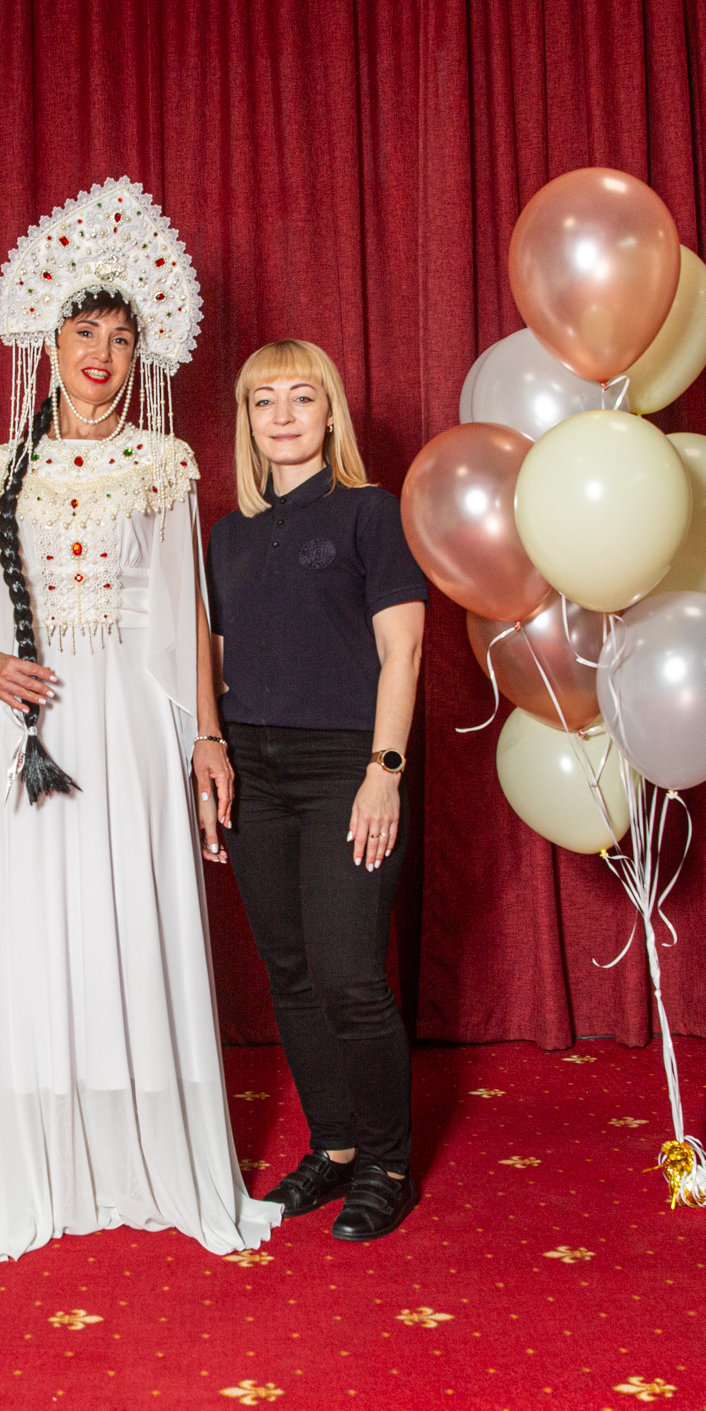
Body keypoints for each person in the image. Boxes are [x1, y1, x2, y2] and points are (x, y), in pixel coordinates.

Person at [0, 177, 281, 1261]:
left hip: (134, 721)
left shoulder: (163, 462)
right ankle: (53, 1153)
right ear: (50, 343)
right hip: (37, 725)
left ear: (142, 356)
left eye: (121, 338)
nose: (101, 352)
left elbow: (190, 609)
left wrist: (206, 738)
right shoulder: (2, 467)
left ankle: (151, 1149)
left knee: (133, 914)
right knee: (45, 927)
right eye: (85, 332)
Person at [206, 340, 427, 1241]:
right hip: (253, 771)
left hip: (345, 768)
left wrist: (384, 773)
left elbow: (403, 652)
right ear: (247, 422)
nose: (284, 415)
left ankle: (388, 1164)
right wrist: (209, 752)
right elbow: (216, 662)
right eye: (265, 401)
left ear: (331, 413)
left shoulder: (371, 513)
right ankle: (333, 1148)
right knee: (290, 972)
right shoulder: (227, 535)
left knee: (350, 977)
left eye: (303, 397)